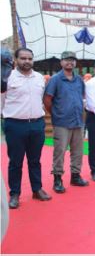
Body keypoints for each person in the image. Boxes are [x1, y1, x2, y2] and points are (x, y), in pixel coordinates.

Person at [3, 48, 51, 209]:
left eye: (30, 58)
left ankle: (37, 189)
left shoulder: (39, 78)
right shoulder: (6, 78)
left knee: (35, 160)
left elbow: (41, 100)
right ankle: (15, 194)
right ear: (16, 60)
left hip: (37, 124)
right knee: (15, 161)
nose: (27, 61)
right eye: (23, 58)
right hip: (15, 125)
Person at [44, 51, 89, 193]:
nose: (70, 62)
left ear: (75, 63)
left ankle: (75, 176)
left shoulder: (79, 80)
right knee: (60, 151)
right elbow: (47, 100)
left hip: (78, 121)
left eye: (73, 60)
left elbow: (81, 96)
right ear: (61, 62)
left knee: (77, 151)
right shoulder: (55, 79)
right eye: (67, 60)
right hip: (62, 122)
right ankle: (57, 179)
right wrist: (56, 114)